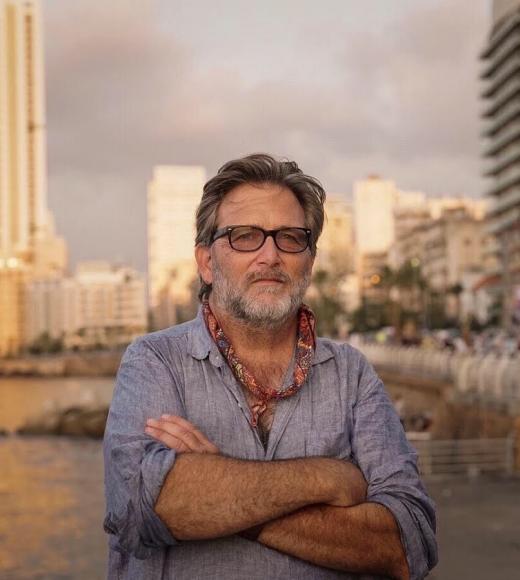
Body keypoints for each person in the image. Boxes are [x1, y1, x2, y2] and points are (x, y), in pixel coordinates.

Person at [103, 153, 437, 579]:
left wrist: (219, 492)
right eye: (244, 236)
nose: (270, 255)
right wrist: (328, 478)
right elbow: (141, 507)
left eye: (290, 238)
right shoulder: (154, 360)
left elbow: (407, 544)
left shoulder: (350, 375)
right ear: (206, 263)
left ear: (309, 261)